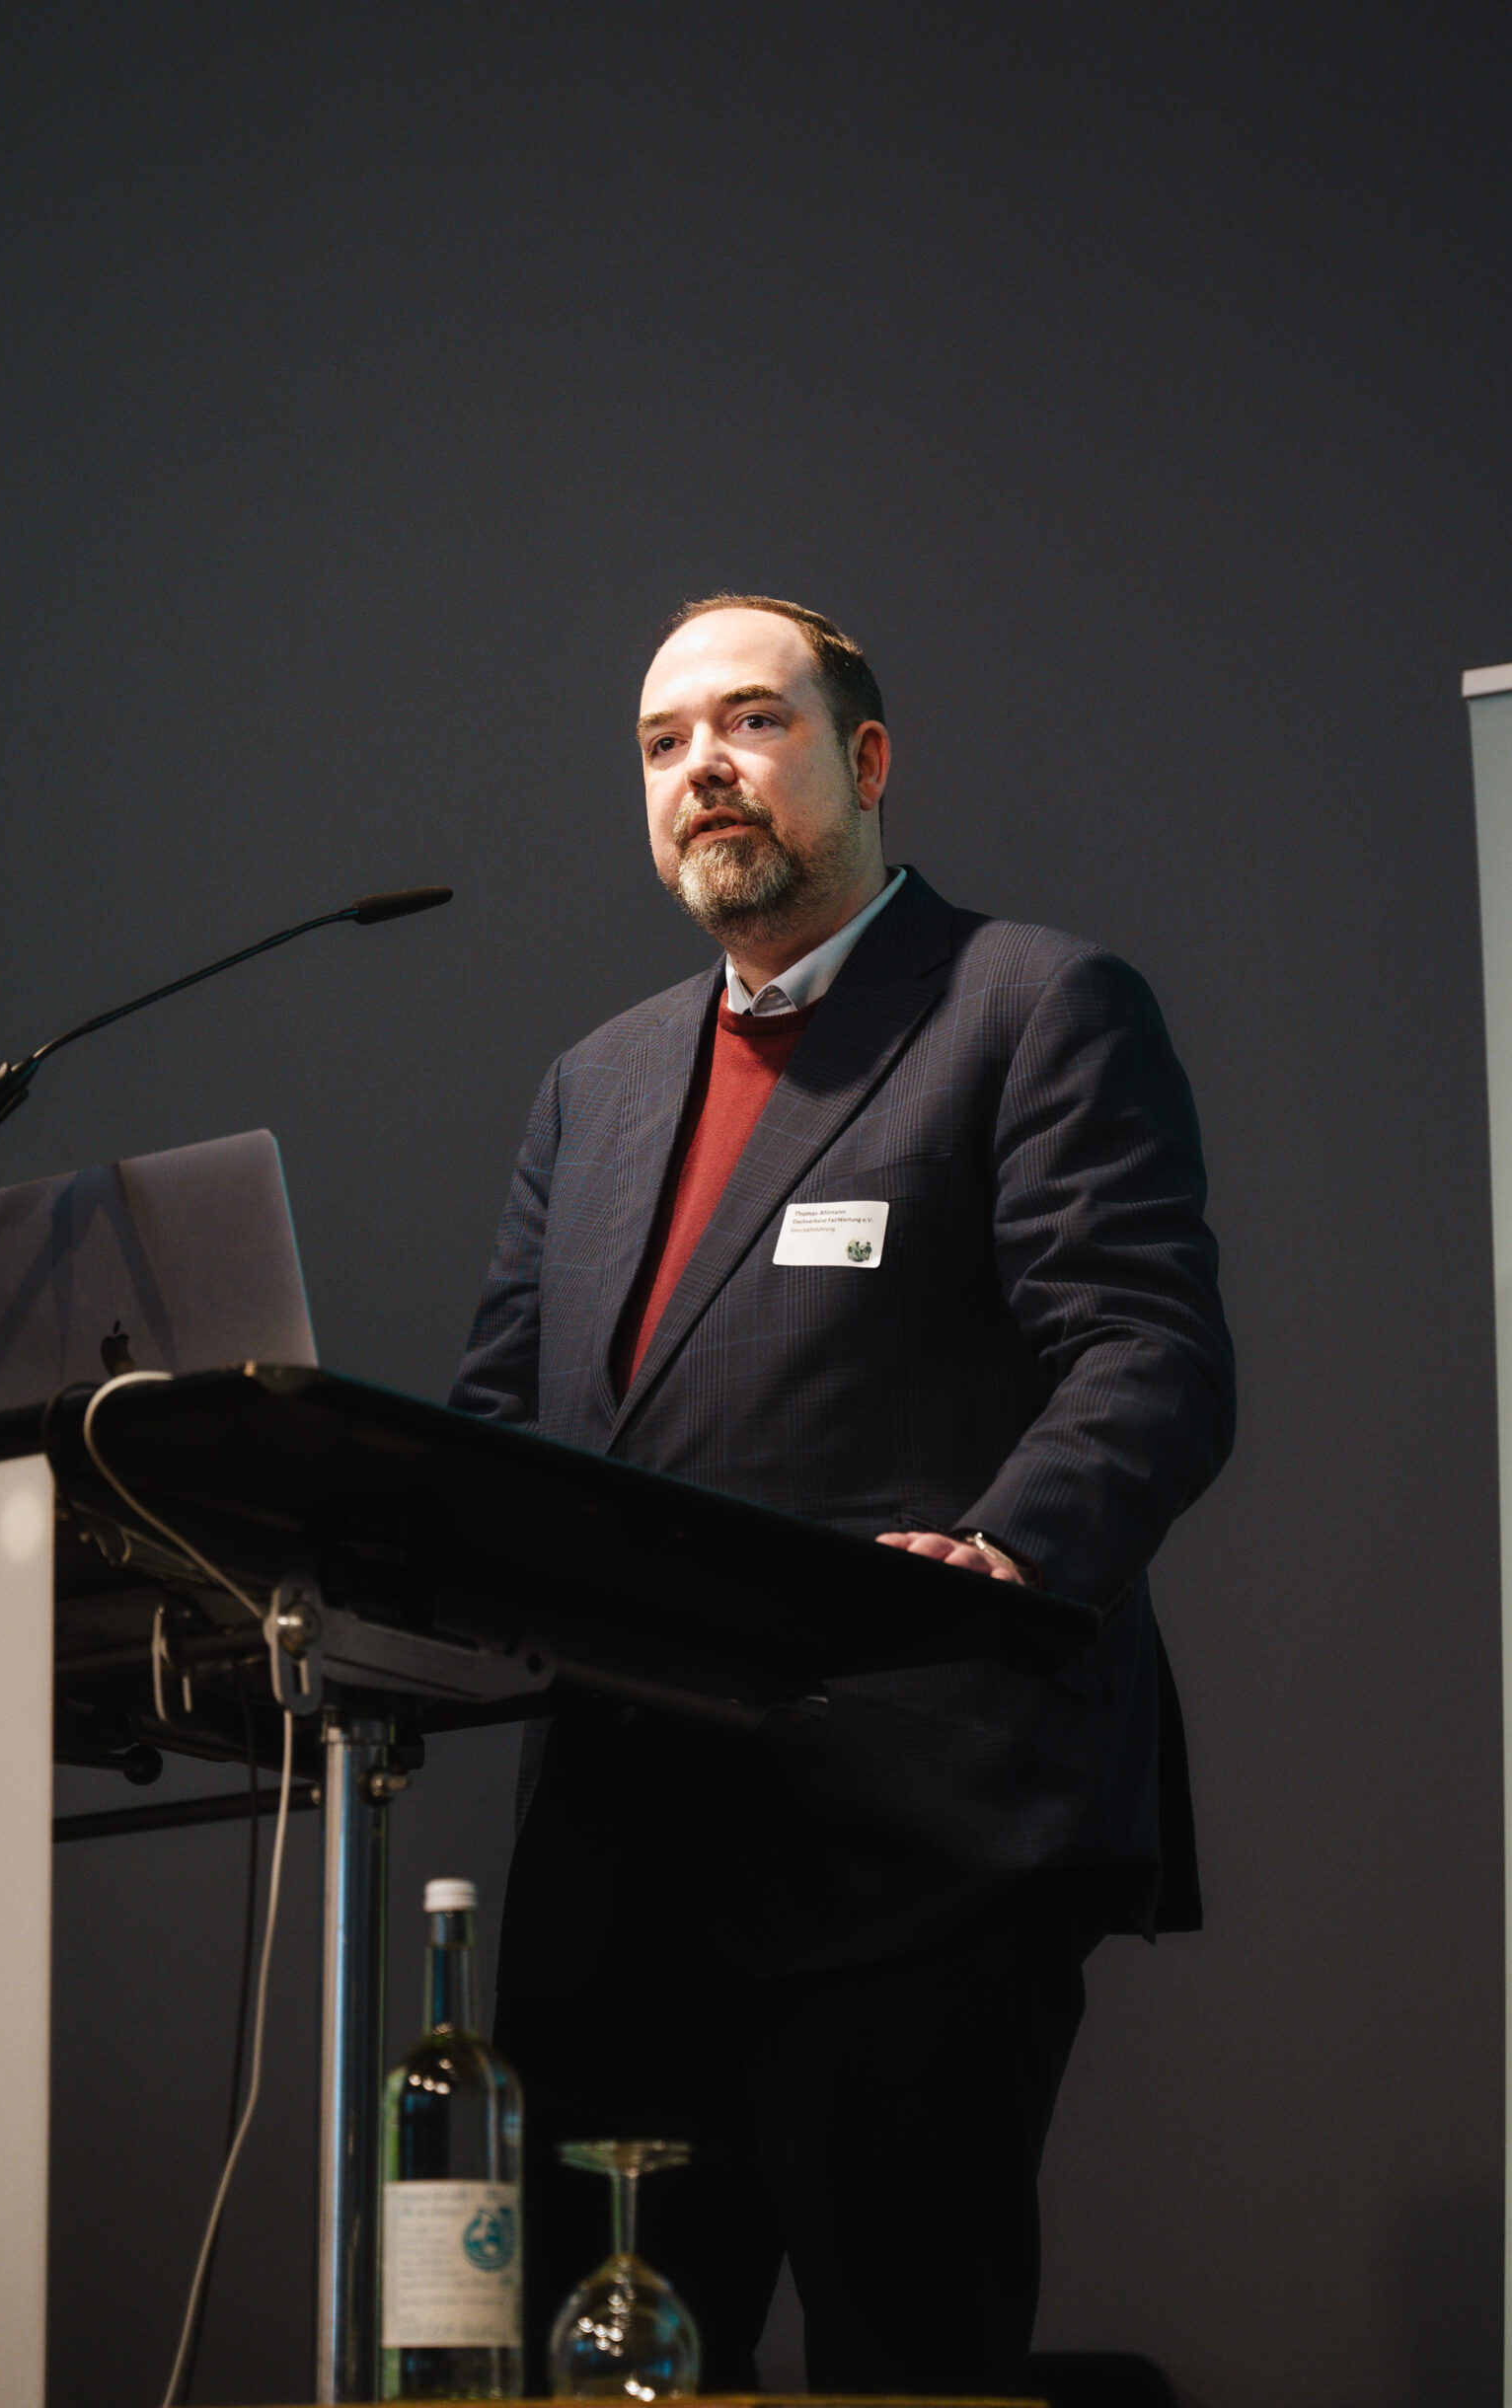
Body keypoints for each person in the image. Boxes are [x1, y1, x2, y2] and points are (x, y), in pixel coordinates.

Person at [451, 595, 1235, 2394]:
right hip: (618, 1873)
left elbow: (1146, 1351)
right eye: (663, 746)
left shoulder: (1027, 1004)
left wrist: (1007, 1548)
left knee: (906, 2371)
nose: (704, 769)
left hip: (909, 1845)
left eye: (751, 722)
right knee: (589, 2378)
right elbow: (504, 1418)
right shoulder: (593, 1088)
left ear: (864, 760)